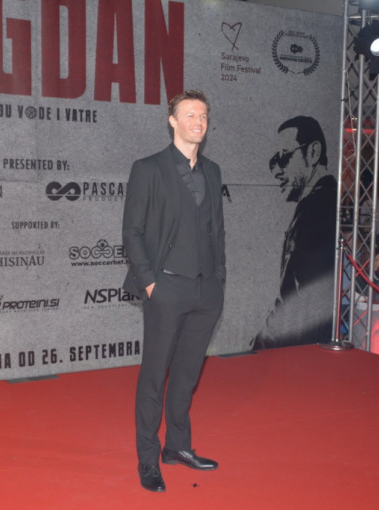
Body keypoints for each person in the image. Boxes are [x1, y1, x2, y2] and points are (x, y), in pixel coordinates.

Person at [122, 90, 225, 493]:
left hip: (206, 292)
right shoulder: (148, 169)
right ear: (173, 121)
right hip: (165, 288)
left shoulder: (212, 171)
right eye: (190, 115)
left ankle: (177, 447)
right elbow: (132, 231)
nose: (198, 122)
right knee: (154, 378)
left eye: (203, 115)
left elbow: (217, 230)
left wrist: (218, 279)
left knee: (187, 376)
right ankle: (148, 460)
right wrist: (151, 283)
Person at [253, 115, 337, 348]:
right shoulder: (325, 201)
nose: (276, 171)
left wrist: (257, 349)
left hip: (300, 344)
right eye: (273, 161)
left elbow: (293, 298)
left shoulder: (315, 208)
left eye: (284, 157)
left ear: (313, 152)